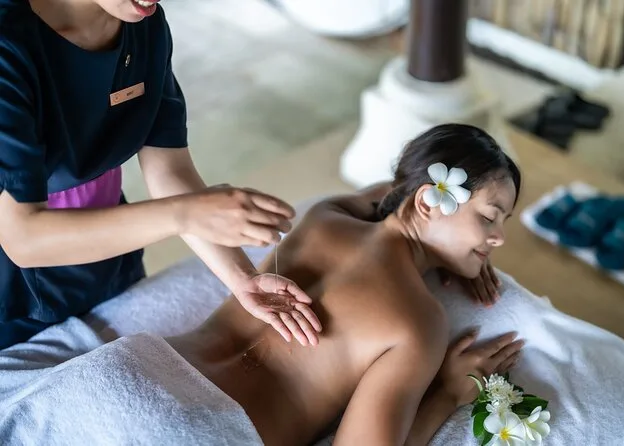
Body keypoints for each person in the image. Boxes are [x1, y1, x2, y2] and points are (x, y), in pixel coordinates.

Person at [165, 123, 524, 445]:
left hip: (151, 371)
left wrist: (462, 241)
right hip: (203, 435)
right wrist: (449, 392)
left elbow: (389, 192)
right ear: (428, 203)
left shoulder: (327, 215)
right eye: (488, 218)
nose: (500, 238)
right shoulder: (420, 322)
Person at [0, 0, 321, 349]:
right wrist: (187, 214)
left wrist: (243, 278)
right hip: (16, 295)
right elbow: (23, 239)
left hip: (110, 260)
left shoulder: (142, 25)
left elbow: (170, 168)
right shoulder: (9, 48)